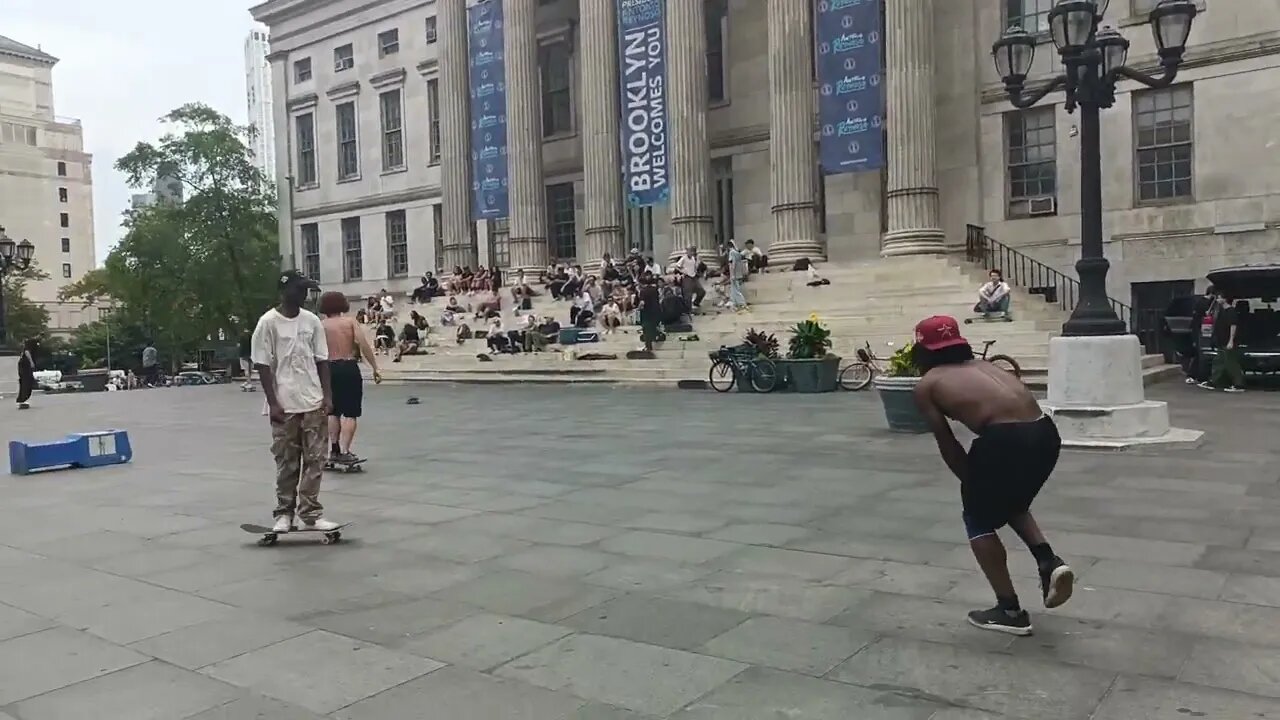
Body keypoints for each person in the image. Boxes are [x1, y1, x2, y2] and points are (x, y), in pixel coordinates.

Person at [911, 315, 1073, 636]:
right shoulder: (988, 367)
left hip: (1004, 440)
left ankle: (1009, 610)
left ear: (923, 350)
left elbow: (948, 441)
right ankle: (1048, 561)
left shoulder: (928, 384)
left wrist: (969, 482)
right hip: (1045, 434)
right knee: (1010, 499)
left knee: (978, 518)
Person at [251, 270, 340, 533]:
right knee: (287, 461)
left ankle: (309, 513)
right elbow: (263, 365)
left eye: (306, 290)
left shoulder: (312, 321)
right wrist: (273, 403)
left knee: (316, 460)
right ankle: (284, 513)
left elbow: (322, 360)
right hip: (284, 403)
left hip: (312, 401)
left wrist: (327, 396)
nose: (303, 295)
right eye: (299, 290)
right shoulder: (268, 322)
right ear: (284, 291)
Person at [318, 291, 381, 465]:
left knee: (333, 411)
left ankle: (334, 449)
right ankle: (346, 450)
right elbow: (363, 344)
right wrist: (375, 367)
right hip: (348, 366)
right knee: (351, 412)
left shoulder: (321, 325)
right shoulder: (350, 322)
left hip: (328, 368)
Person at [1202, 293, 1245, 393]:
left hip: (1227, 342)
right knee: (1219, 362)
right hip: (1221, 341)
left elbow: (1233, 326)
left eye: (1220, 297)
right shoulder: (1221, 311)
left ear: (1225, 299)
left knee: (1231, 363)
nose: (1217, 299)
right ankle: (1213, 382)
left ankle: (1239, 384)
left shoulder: (1231, 312)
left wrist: (1231, 341)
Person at [726, 240, 749, 312]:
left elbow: (733, 263)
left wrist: (732, 274)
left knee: (736, 289)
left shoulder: (732, 252)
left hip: (734, 274)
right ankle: (734, 303)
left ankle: (742, 303)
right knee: (734, 289)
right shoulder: (737, 253)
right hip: (738, 273)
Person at [15, 338, 36, 410]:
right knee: (26, 382)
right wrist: (31, 362)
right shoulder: (29, 343)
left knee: (25, 381)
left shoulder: (27, 344)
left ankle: (22, 399)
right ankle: (22, 398)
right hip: (25, 366)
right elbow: (27, 352)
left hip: (23, 366)